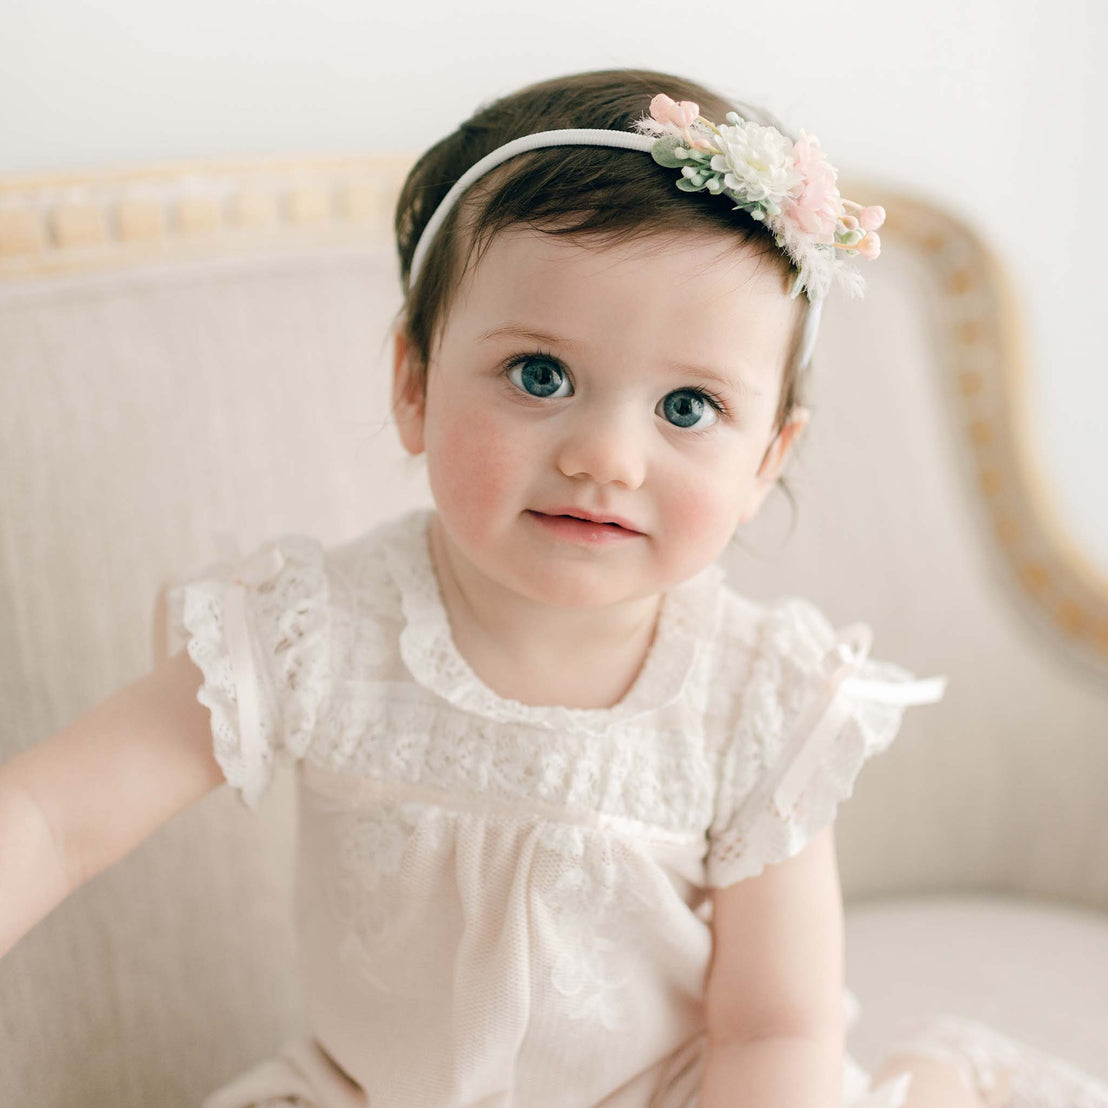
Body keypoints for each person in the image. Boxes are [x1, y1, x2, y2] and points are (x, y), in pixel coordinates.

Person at [2, 68, 1106, 1108]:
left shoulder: (756, 698)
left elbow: (774, 1027)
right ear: (415, 384)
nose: (606, 458)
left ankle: (951, 1075)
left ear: (766, 459)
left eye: (686, 409)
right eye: (541, 375)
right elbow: (54, 816)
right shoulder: (314, 629)